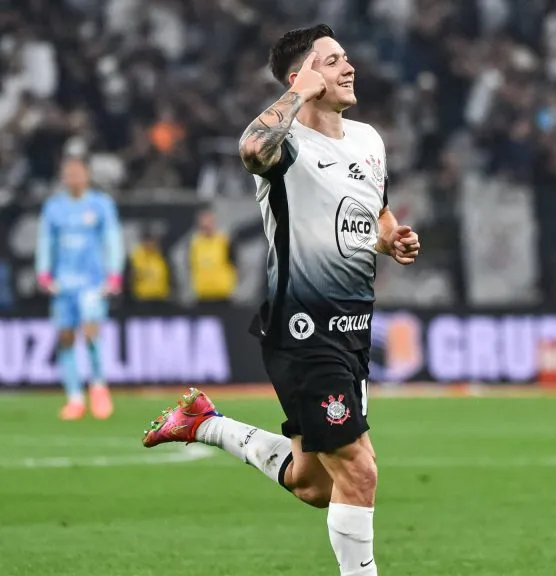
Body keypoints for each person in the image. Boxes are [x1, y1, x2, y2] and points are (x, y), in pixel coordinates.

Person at [141, 24, 421, 575]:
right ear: (304, 77)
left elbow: (374, 209)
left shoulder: (369, 140)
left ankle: (204, 423)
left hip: (354, 330)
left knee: (315, 484)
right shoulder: (285, 145)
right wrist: (298, 93)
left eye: (346, 57)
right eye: (332, 61)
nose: (348, 67)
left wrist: (391, 238)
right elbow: (250, 147)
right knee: (359, 471)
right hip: (304, 329)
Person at [35, 156, 124, 420]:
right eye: (68, 172)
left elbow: (112, 238)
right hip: (63, 283)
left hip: (92, 283)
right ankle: (74, 397)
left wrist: (114, 274)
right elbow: (45, 240)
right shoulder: (54, 207)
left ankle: (98, 387)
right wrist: (43, 273)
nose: (72, 177)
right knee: (65, 338)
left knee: (90, 333)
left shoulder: (100, 204)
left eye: (77, 172)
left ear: (86, 174)